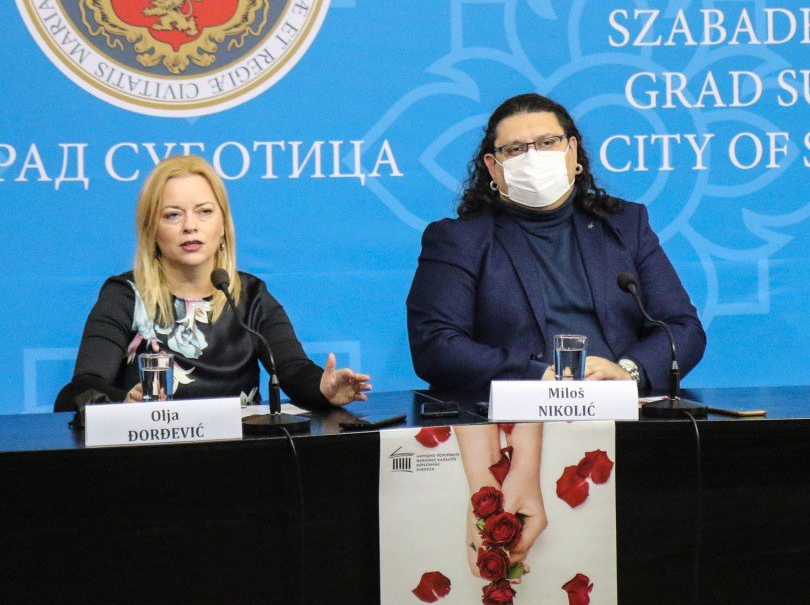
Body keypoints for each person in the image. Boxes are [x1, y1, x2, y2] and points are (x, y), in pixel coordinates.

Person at [407, 92, 706, 393]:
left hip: (621, 409)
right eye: (515, 149)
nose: (533, 158)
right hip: (514, 414)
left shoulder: (625, 224)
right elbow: (435, 345)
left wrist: (628, 372)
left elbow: (682, 328)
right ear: (493, 166)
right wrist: (535, 377)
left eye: (548, 142)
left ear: (572, 150)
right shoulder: (459, 240)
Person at [66, 155, 370, 410]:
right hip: (153, 453)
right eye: (173, 215)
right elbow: (83, 388)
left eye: (204, 212)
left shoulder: (251, 296)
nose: (190, 226)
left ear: (223, 225)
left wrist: (323, 388)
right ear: (151, 230)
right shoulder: (126, 297)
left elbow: (292, 370)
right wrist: (122, 404)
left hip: (241, 454)